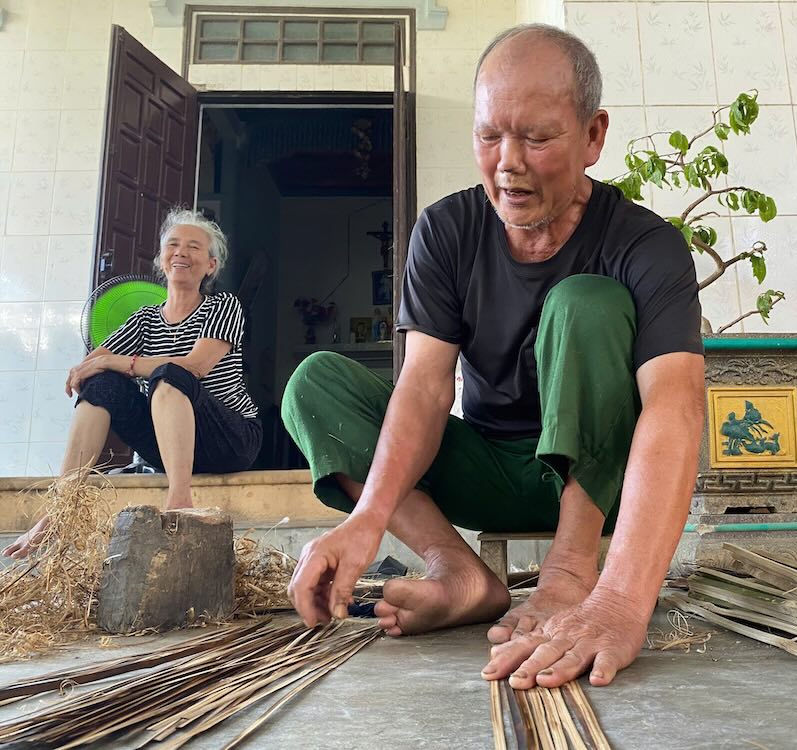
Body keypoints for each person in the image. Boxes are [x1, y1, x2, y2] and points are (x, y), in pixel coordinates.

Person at [280, 24, 704, 689]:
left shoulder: (644, 245)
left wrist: (620, 603)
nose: (507, 162)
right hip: (487, 467)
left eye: (536, 138)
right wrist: (366, 522)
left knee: (585, 302)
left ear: (593, 135)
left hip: (600, 481)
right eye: (489, 136)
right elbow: (424, 389)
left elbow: (676, 407)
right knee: (317, 383)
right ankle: (459, 573)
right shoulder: (446, 231)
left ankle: (571, 567)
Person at [2, 208, 261, 559]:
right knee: (103, 383)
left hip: (228, 438)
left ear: (211, 265)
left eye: (194, 247)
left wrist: (118, 362)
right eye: (173, 244)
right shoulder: (145, 318)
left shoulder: (223, 306)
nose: (181, 252)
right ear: (161, 259)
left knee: (170, 375)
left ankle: (178, 500)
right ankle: (60, 511)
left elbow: (195, 366)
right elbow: (92, 366)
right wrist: (94, 367)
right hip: (166, 442)